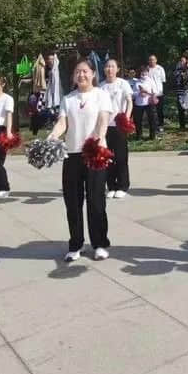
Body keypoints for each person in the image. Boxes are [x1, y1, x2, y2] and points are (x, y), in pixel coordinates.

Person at [48, 60, 114, 261]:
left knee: (96, 201)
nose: (81, 75)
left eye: (85, 71)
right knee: (73, 202)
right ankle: (76, 245)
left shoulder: (101, 95)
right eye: (77, 72)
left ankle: (100, 243)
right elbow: (62, 122)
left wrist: (100, 137)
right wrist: (53, 135)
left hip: (94, 152)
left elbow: (103, 118)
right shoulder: (68, 99)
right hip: (73, 155)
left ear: (93, 74)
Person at [101, 59, 134, 199]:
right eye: (107, 66)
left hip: (119, 125)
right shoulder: (101, 87)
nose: (110, 69)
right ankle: (111, 186)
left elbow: (129, 102)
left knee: (121, 156)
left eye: (112, 66)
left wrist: (126, 117)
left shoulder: (123, 84)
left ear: (117, 69)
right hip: (105, 126)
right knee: (107, 157)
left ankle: (123, 185)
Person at [132, 64, 160, 141]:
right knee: (138, 120)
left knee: (152, 119)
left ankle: (152, 135)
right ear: (140, 73)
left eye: (145, 72)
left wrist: (148, 93)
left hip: (149, 103)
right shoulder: (136, 82)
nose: (144, 74)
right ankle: (139, 136)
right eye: (142, 73)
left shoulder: (150, 81)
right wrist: (139, 93)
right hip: (139, 104)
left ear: (148, 73)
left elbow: (156, 91)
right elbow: (132, 94)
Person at [173, 52, 188, 129]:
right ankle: (182, 125)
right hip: (180, 91)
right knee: (180, 108)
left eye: (183, 61)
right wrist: (181, 73)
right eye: (180, 61)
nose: (181, 62)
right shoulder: (177, 70)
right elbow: (176, 77)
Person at [145, 55, 167, 133]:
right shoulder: (146, 69)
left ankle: (161, 126)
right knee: (152, 111)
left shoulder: (160, 69)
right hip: (150, 94)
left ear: (156, 60)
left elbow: (163, 81)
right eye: (150, 60)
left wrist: (161, 91)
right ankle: (153, 126)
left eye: (153, 60)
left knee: (159, 110)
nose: (151, 61)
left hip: (159, 93)